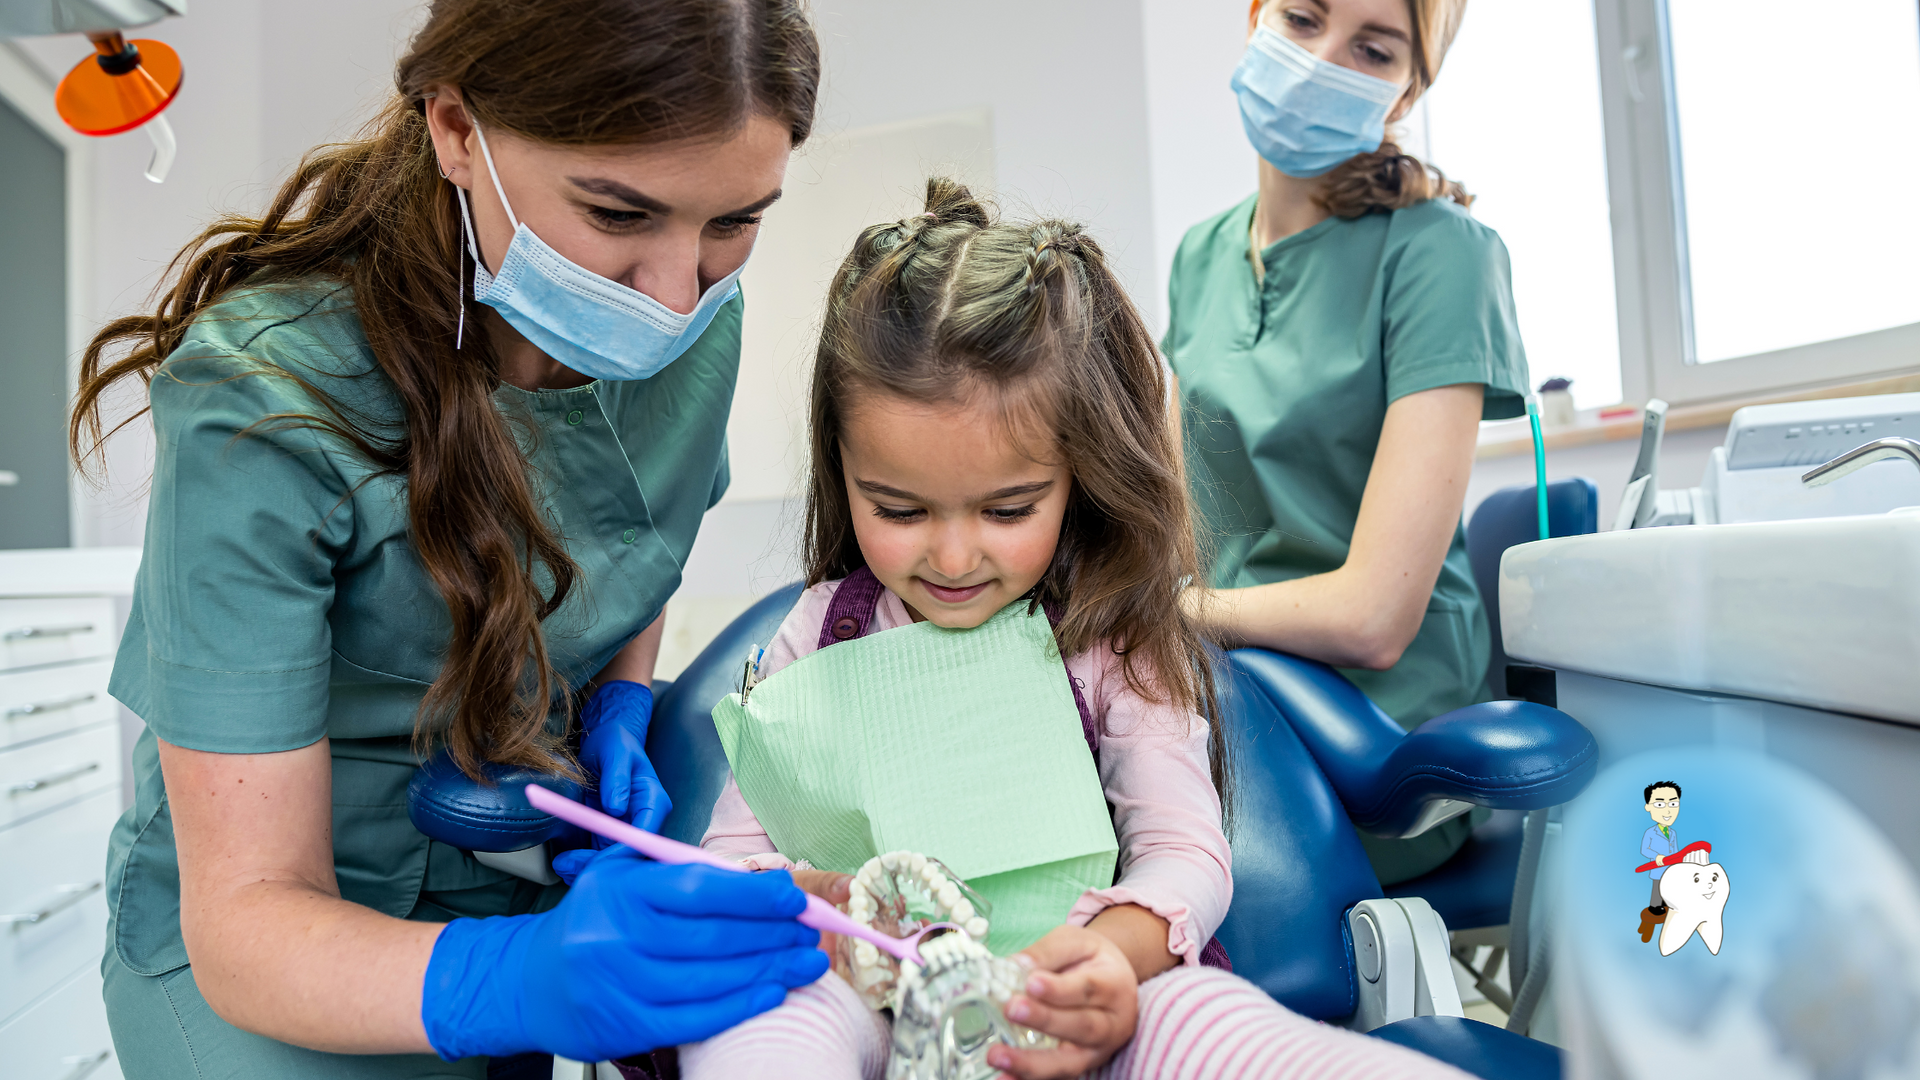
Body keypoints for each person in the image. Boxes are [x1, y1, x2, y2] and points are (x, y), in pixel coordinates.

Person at [68, 1, 836, 1075]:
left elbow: (636, 533)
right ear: (458, 133)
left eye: (734, 221)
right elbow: (247, 920)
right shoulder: (261, 395)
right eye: (618, 214)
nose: (672, 296)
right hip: (284, 946)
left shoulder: (699, 325)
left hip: (521, 868)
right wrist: (516, 978)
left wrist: (618, 695)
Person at [679, 179, 1475, 1080]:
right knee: (764, 1016)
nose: (951, 555)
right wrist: (794, 902)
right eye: (897, 507)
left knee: (1195, 1008)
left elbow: (1182, 851)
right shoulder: (814, 637)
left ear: (1077, 475)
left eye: (1009, 507)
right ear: (842, 468)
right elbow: (730, 861)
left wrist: (1117, 955)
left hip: (1073, 1012)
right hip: (869, 1009)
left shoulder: (1107, 641)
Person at [1166, 0, 1531, 884]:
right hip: (1231, 694)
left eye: (1373, 48)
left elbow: (1373, 619)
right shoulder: (1199, 257)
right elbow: (1179, 530)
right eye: (1301, 18)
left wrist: (1173, 617)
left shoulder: (1443, 254)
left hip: (1381, 736)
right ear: (1255, 19)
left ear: (1406, 94)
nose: (1322, 60)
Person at [1639, 781, 1683, 935]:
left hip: (1671, 869)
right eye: (1659, 805)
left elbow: (1675, 850)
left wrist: (1678, 861)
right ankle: (1654, 909)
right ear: (1648, 807)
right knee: (1657, 892)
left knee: (1669, 891)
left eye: (1673, 804)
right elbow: (1645, 849)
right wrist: (1656, 856)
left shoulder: (1672, 833)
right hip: (1658, 869)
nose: (1668, 811)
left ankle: (1667, 908)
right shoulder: (1651, 832)